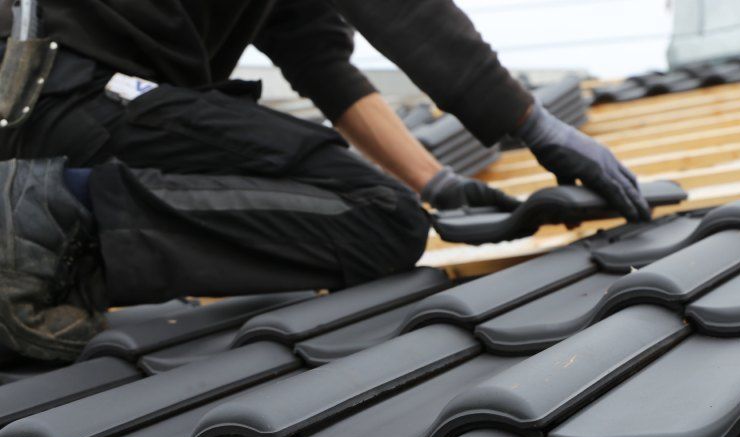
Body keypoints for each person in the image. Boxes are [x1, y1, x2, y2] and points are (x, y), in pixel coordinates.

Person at [0, 0, 648, 361]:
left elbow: (315, 53)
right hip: (69, 87)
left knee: (382, 211)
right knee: (379, 220)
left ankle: (46, 248)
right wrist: (533, 125)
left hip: (63, 99)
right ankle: (53, 216)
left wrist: (438, 182)